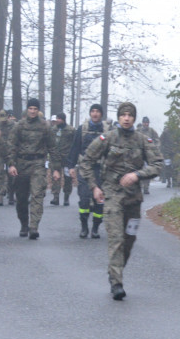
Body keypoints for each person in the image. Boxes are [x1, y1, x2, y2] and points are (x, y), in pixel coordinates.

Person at [78, 102, 162, 300]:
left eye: (130, 115)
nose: (126, 118)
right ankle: (117, 282)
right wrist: (94, 186)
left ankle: (114, 270)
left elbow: (157, 164)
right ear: (119, 117)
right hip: (112, 195)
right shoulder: (107, 138)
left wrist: (138, 175)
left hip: (133, 198)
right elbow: (86, 160)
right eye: (123, 115)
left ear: (134, 118)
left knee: (129, 240)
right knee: (116, 238)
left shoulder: (142, 140)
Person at [7, 97, 55, 239]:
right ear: (27, 110)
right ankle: (24, 224)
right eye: (30, 109)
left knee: (37, 196)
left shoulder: (45, 126)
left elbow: (52, 147)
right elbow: (11, 146)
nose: (33, 111)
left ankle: (34, 226)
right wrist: (11, 164)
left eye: (35, 109)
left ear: (38, 110)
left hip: (38, 164)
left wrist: (56, 168)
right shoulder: (19, 126)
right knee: (21, 198)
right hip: (21, 164)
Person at [66, 104, 109, 239]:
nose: (95, 114)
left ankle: (95, 227)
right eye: (93, 111)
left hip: (101, 170)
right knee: (84, 199)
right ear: (90, 113)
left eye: (97, 112)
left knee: (99, 201)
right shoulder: (82, 129)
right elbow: (75, 148)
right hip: (84, 169)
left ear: (101, 114)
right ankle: (84, 226)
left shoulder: (107, 130)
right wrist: (71, 166)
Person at [48, 112, 74, 206]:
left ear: (63, 119)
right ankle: (56, 197)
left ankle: (66, 197)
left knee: (68, 178)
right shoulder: (53, 130)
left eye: (59, 118)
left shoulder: (71, 130)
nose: (57, 120)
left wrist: (74, 158)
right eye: (56, 118)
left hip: (67, 157)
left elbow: (74, 144)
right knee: (55, 177)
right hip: (55, 157)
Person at [137, 116, 160, 194]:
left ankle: (146, 188)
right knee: (139, 170)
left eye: (147, 122)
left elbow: (157, 140)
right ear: (142, 123)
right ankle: (139, 187)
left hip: (148, 154)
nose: (145, 124)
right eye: (144, 122)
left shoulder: (152, 131)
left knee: (147, 171)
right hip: (139, 154)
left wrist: (155, 148)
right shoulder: (138, 131)